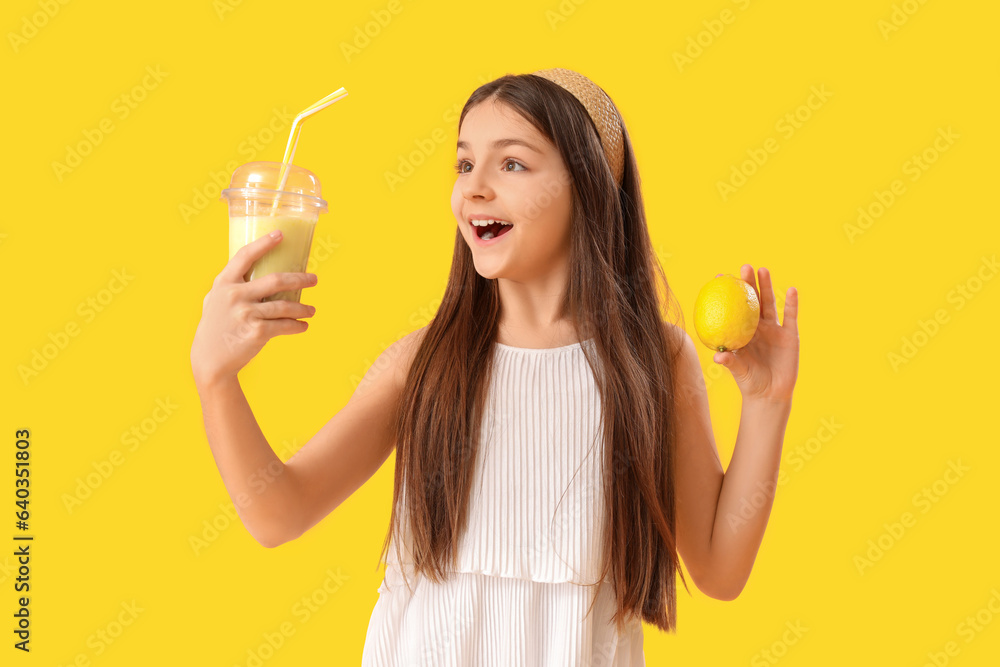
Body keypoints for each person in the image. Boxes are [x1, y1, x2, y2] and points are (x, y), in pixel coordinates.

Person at [190, 67, 800, 666]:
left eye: (511, 163)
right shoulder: (424, 365)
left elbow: (720, 570)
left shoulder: (653, 362)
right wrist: (215, 377)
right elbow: (278, 513)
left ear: (586, 188)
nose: (474, 188)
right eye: (463, 163)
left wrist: (767, 402)